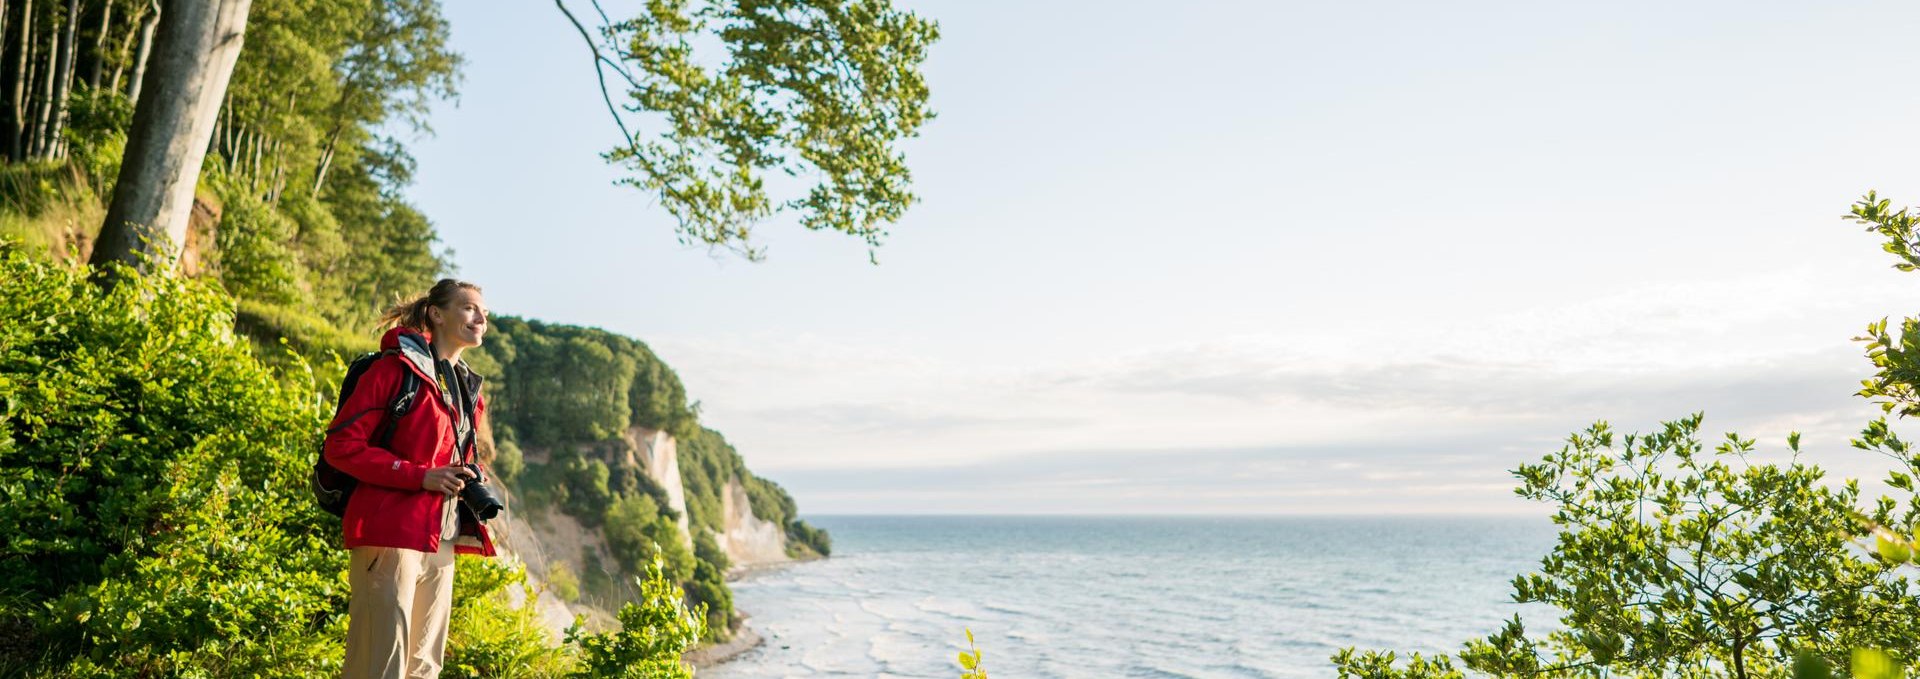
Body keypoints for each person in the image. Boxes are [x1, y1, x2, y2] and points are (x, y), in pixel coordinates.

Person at [324, 278, 499, 679]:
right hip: (389, 532)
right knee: (379, 665)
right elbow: (342, 446)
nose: (481, 319)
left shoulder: (469, 389)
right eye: (470, 308)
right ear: (437, 314)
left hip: (442, 536)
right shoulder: (394, 369)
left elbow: (457, 457)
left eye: (485, 314)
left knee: (424, 667)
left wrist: (471, 472)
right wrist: (420, 477)